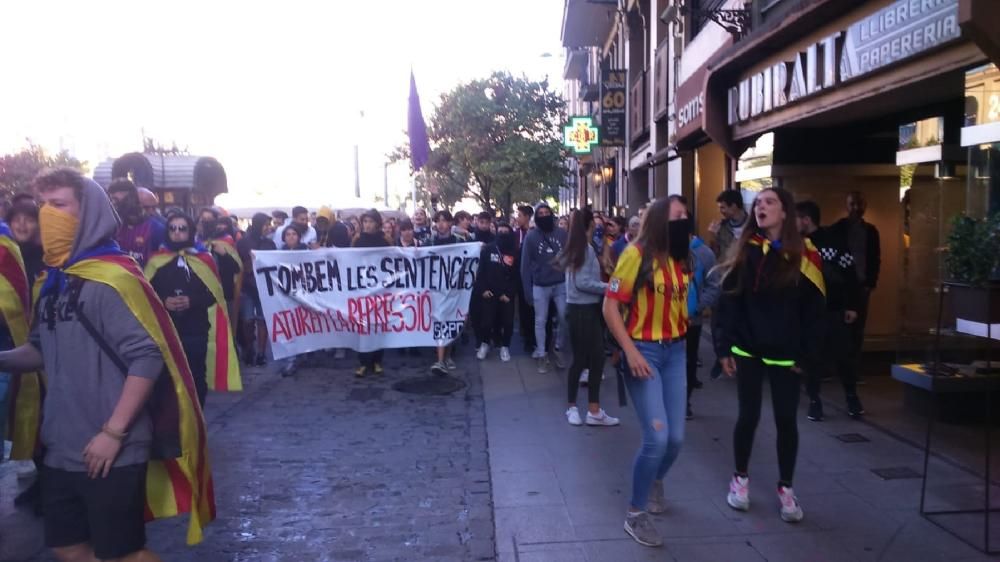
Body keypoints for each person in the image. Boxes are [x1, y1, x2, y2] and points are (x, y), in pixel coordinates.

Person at [0, 168, 212, 561]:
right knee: (66, 544)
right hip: (62, 445)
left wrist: (113, 433)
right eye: (43, 205)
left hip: (111, 444)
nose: (47, 215)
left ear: (88, 213)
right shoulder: (55, 281)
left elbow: (147, 357)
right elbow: (38, 350)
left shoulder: (114, 279)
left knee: (123, 551)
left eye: (59, 205)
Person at [715, 187, 826, 524]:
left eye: (770, 202)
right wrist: (724, 347)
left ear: (784, 212)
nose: (761, 207)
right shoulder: (747, 251)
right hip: (748, 348)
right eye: (758, 203)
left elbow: (815, 312)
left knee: (785, 421)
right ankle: (740, 479)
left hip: (786, 353)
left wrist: (806, 357)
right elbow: (729, 301)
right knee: (747, 416)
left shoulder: (806, 256)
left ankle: (786, 488)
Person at [603, 197, 692, 548]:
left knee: (676, 439)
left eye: (686, 215)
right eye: (677, 216)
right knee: (656, 438)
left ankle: (654, 479)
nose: (684, 220)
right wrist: (630, 351)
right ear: (659, 220)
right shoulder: (635, 255)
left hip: (677, 351)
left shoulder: (683, 256)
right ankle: (635, 514)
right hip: (645, 352)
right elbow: (610, 308)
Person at [147, 211, 242, 407]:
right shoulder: (156, 260)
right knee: (166, 379)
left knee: (195, 375)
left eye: (182, 229)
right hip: (164, 329)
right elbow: (146, 292)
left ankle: (197, 419)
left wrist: (192, 301)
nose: (177, 233)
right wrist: (164, 301)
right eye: (172, 229)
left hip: (195, 328)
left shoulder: (203, 259)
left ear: (190, 231)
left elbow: (213, 293)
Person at [796, 201, 864, 420]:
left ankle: (852, 396)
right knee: (811, 358)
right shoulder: (795, 245)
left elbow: (850, 273)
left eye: (796, 218)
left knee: (844, 355)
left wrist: (853, 305)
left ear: (806, 219)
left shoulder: (833, 242)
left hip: (834, 308)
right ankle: (814, 400)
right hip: (807, 313)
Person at [561, 208, 618, 427]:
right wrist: (610, 287)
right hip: (582, 310)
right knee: (583, 360)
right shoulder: (583, 249)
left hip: (583, 309)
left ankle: (591, 409)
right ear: (589, 225)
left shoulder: (579, 248)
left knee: (592, 359)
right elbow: (582, 283)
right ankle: (575, 407)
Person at [666, 196, 720, 420]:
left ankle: (684, 401)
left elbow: (714, 284)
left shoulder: (704, 253)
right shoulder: (662, 250)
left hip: (691, 319)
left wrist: (697, 308)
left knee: (687, 362)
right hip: (665, 320)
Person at [830, 191, 880, 384]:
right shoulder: (838, 229)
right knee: (837, 325)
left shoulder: (871, 231)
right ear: (846, 206)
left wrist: (870, 283)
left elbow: (875, 258)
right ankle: (838, 368)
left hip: (860, 284)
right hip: (841, 284)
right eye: (852, 204)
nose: (856, 209)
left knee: (857, 329)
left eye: (859, 205)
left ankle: (852, 371)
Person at [521, 203, 568, 373]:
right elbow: (525, 265)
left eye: (546, 212)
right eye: (540, 213)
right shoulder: (531, 236)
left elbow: (569, 257)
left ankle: (558, 347)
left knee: (564, 317)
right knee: (540, 320)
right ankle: (542, 354)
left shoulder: (562, 234)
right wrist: (527, 290)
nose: (544, 215)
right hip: (540, 285)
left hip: (561, 283)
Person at [473, 222, 517, 362]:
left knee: (508, 322)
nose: (503, 234)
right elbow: (481, 272)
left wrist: (509, 294)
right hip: (489, 293)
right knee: (486, 322)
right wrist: (483, 290)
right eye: (500, 231)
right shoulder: (488, 250)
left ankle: (505, 347)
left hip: (506, 295)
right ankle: (485, 344)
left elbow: (516, 276)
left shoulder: (515, 252)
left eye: (506, 232)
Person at [236, 213, 277, 366]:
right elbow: (237, 264)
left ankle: (261, 353)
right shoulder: (242, 243)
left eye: (269, 224)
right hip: (247, 287)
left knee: (262, 320)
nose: (268, 227)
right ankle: (249, 348)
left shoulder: (270, 244)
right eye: (265, 224)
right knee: (247, 320)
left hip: (264, 288)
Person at [353, 210, 390, 377]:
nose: (367, 224)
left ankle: (377, 361)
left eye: (370, 221)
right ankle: (363, 362)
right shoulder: (357, 240)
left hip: (380, 290)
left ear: (377, 223)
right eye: (365, 221)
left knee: (378, 325)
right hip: (361, 290)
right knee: (362, 326)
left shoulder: (384, 241)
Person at [107, 178, 165, 267]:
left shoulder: (156, 229)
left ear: (131, 200)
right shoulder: (113, 228)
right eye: (111, 200)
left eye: (116, 200)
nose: (113, 204)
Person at [430, 210, 461, 375]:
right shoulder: (430, 242)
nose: (440, 224)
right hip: (436, 290)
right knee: (441, 320)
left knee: (451, 321)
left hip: (455, 289)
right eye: (438, 221)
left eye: (444, 220)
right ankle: (441, 360)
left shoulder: (460, 241)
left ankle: (447, 356)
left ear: (450, 223)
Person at [6, 201, 44, 285]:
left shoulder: (46, 257)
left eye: (29, 220)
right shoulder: (4, 253)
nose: (22, 224)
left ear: (38, 225)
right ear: (9, 224)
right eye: (16, 220)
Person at [709, 189, 749, 259]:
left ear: (734, 206)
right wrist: (712, 237)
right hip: (726, 268)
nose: (720, 211)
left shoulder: (753, 225)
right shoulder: (721, 227)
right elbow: (714, 255)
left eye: (722, 208)